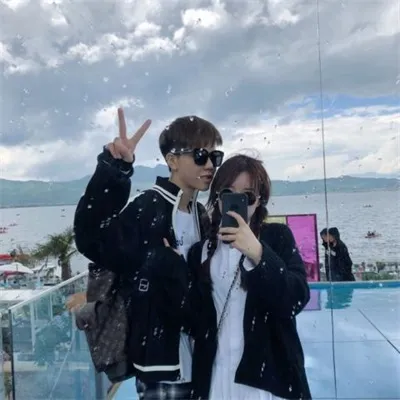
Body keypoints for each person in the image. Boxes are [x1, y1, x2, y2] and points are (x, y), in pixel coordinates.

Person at [73, 108, 223, 400]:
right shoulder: (148, 208)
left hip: (202, 358)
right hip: (160, 362)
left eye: (214, 157)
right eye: (200, 156)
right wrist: (114, 169)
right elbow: (93, 239)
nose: (209, 165)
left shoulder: (201, 216)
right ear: (172, 161)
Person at [187, 154, 311, 400]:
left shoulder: (277, 237)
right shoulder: (201, 251)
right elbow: (192, 316)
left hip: (267, 379)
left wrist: (259, 253)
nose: (237, 202)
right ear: (217, 198)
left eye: (248, 196)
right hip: (216, 375)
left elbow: (295, 298)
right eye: (228, 193)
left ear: (259, 201)